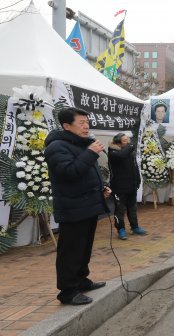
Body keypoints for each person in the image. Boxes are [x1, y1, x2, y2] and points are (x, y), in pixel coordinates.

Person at [44, 107, 111, 305]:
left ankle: (81, 280)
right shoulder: (56, 147)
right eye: (81, 123)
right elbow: (69, 172)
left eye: (87, 123)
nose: (86, 126)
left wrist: (102, 188)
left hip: (88, 205)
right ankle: (67, 291)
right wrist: (90, 152)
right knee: (71, 250)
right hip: (72, 208)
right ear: (66, 126)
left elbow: (87, 174)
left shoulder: (82, 144)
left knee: (84, 248)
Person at [108, 133, 147, 240]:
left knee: (132, 208)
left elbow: (134, 167)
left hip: (131, 185)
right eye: (125, 140)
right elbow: (122, 156)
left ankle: (135, 227)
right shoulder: (113, 152)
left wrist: (138, 180)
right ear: (118, 142)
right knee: (120, 209)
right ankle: (120, 229)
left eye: (128, 140)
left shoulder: (129, 152)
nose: (129, 142)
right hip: (119, 187)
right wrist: (130, 146)